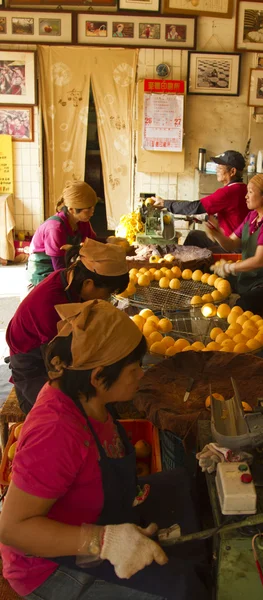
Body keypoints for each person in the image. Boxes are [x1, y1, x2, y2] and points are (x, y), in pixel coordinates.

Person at [0, 300, 209, 600]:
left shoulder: (86, 396)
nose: (141, 375)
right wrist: (103, 540)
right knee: (181, 588)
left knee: (183, 483)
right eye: (134, 369)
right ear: (98, 377)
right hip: (49, 564)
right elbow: (12, 530)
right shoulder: (56, 431)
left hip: (95, 514)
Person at [7, 238, 129, 414]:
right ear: (89, 283)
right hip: (33, 364)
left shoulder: (71, 280)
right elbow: (58, 364)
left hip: (55, 350)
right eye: (107, 293)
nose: (107, 298)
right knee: (66, 413)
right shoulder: (50, 305)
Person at [206, 174, 263, 315]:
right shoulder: (252, 217)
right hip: (252, 278)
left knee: (242, 306)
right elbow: (231, 244)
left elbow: (260, 261)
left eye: (250, 192)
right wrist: (217, 234)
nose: (246, 196)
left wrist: (230, 267)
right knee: (211, 280)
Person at [153, 150, 249, 249]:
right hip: (238, 242)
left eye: (220, 167)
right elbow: (233, 214)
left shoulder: (229, 192)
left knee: (198, 249)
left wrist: (165, 203)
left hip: (231, 246)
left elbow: (196, 207)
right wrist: (205, 218)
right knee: (194, 235)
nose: (217, 170)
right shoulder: (243, 188)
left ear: (232, 171)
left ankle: (186, 263)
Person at [27, 180, 98, 286]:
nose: (92, 212)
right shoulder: (55, 228)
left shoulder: (83, 222)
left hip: (63, 267)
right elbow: (59, 269)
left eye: (93, 207)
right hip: (43, 274)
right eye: (88, 209)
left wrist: (110, 242)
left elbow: (93, 244)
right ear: (71, 209)